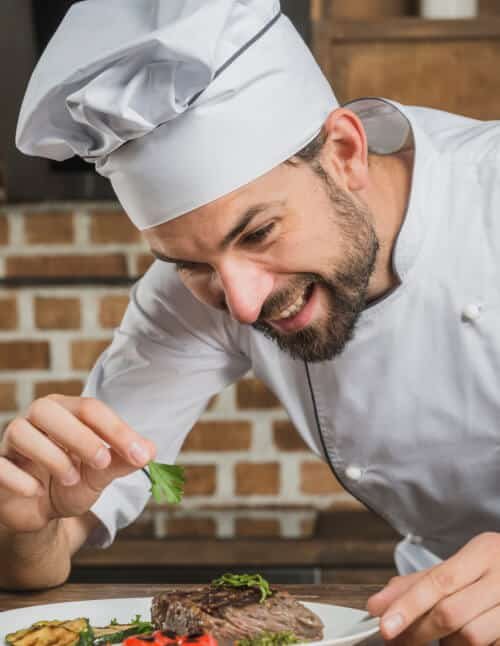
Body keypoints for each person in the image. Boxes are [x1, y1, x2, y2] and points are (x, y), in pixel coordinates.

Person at [1, 0, 500, 642]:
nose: (241, 303)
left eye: (260, 232)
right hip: (428, 620)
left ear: (345, 152)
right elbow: (55, 539)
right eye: (190, 263)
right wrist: (28, 520)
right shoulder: (194, 295)